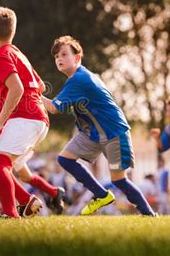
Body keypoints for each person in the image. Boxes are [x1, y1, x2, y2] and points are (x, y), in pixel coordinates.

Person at [42, 35, 156, 216]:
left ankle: (149, 214)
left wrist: (30, 92)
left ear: (77, 58)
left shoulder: (78, 79)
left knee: (119, 180)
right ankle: (101, 195)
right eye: (56, 57)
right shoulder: (76, 79)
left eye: (64, 54)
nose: (59, 59)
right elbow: (58, 106)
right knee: (64, 159)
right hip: (93, 133)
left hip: (113, 132)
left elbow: (53, 108)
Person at [0, 7, 51, 218]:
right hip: (34, 118)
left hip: (26, 118)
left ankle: (11, 215)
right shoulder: (17, 52)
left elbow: (17, 89)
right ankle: (27, 201)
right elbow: (41, 86)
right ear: (13, 32)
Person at [0, 84, 65, 214]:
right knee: (23, 176)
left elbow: (38, 91)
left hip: (22, 133)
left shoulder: (20, 84)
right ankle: (53, 192)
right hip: (7, 135)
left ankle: (11, 208)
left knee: (0, 167)